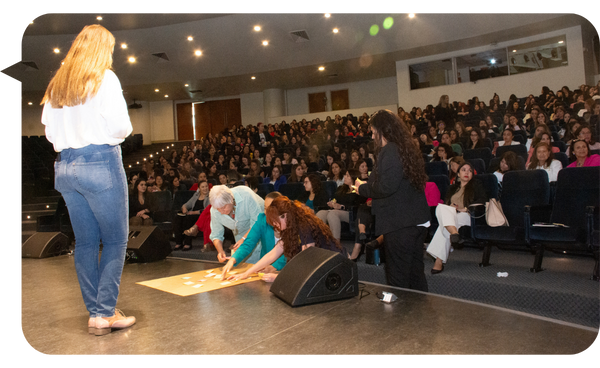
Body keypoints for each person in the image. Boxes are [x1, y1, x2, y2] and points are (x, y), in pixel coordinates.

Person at [40, 25, 135, 335]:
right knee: (117, 239)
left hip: (65, 166)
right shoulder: (104, 77)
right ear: (102, 48)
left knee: (85, 242)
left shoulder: (58, 85)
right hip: (99, 162)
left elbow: (50, 134)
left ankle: (96, 313)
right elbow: (120, 127)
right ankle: (106, 312)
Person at [354, 110, 431, 292]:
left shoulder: (390, 150)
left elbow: (387, 186)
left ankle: (402, 319)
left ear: (383, 130)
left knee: (399, 278)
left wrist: (361, 188)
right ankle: (420, 316)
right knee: (415, 275)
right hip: (414, 222)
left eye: (373, 131)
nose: (372, 136)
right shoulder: (405, 149)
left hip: (400, 223)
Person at [228, 196, 346, 282]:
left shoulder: (305, 226)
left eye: (275, 221)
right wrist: (246, 273)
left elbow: (306, 262)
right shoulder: (290, 227)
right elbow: (273, 253)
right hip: (321, 266)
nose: (275, 225)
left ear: (285, 215)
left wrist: (279, 277)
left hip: (334, 267)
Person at [426, 162, 487, 274]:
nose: (467, 172)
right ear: (458, 174)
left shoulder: (476, 185)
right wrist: (451, 207)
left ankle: (439, 261)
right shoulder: (452, 188)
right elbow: (446, 203)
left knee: (444, 226)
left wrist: (466, 208)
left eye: (469, 170)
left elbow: (482, 200)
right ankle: (454, 233)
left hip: (468, 216)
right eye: (463, 170)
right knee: (441, 207)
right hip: (452, 215)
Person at [220, 192, 287, 281]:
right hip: (265, 269)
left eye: (270, 209)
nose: (266, 213)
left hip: (287, 271)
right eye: (265, 208)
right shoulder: (262, 220)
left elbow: (291, 252)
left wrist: (274, 266)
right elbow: (248, 243)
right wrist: (233, 259)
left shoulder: (289, 223)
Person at [209, 185, 265, 263]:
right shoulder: (214, 210)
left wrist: (244, 239)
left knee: (265, 262)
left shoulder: (246, 195)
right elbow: (216, 234)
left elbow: (257, 222)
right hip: (241, 234)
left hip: (264, 228)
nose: (221, 211)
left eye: (223, 207)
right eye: (218, 209)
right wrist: (220, 251)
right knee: (246, 263)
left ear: (231, 199)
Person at [317, 169, 366, 242]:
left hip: (351, 213)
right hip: (337, 210)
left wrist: (341, 206)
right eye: (345, 175)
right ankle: (322, 242)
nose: (345, 177)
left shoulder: (358, 190)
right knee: (321, 213)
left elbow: (358, 205)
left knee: (332, 214)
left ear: (353, 177)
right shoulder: (341, 188)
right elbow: (335, 199)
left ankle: (336, 243)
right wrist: (332, 203)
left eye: (347, 175)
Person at [173, 180, 210, 251]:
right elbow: (187, 204)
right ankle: (179, 242)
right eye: (203, 187)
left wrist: (193, 212)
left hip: (202, 216)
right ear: (199, 188)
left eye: (206, 186)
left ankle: (187, 243)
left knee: (188, 218)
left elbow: (206, 210)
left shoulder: (210, 196)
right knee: (178, 218)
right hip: (191, 214)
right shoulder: (196, 195)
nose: (205, 188)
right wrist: (184, 208)